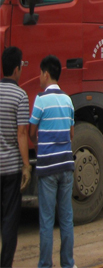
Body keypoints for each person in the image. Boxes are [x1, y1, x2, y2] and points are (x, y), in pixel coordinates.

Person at [29, 55, 76, 268]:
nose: (39, 77)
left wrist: (38, 142)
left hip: (47, 167)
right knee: (66, 218)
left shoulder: (40, 100)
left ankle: (45, 265)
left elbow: (31, 132)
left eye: (40, 73)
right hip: (66, 165)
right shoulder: (68, 100)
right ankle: (68, 263)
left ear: (46, 74)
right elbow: (71, 134)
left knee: (47, 220)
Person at [1, 47, 31, 268]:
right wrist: (26, 166)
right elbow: (22, 134)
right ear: (17, 69)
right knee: (9, 220)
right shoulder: (21, 96)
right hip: (11, 168)